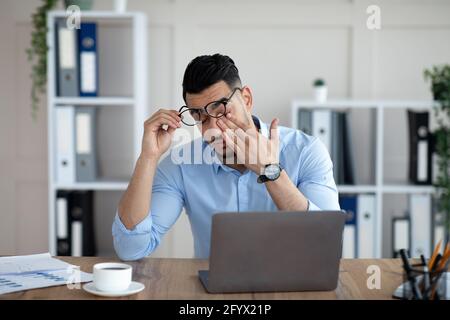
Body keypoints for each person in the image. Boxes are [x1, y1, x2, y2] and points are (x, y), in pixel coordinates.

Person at [112, 53, 340, 260]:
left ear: (247, 99)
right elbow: (131, 248)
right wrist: (148, 158)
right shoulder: (181, 164)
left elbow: (325, 246)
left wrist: (270, 170)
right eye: (200, 116)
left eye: (221, 109)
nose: (213, 127)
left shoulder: (306, 152)